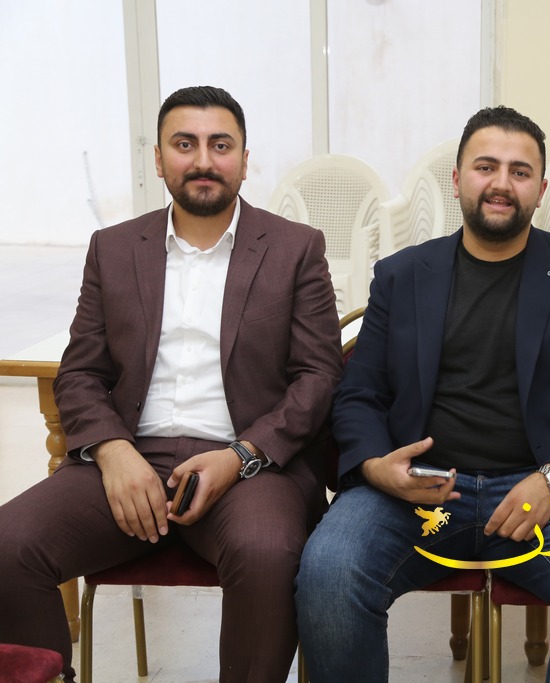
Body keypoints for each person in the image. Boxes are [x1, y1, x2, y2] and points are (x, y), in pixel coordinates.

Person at [295, 105, 550, 681]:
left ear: (541, 190)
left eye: (520, 171)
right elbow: (359, 392)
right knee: (329, 572)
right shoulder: (402, 275)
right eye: (486, 167)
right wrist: (378, 467)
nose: (501, 183)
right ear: (458, 179)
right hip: (417, 491)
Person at [0, 86, 343, 682]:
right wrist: (113, 453)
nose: (203, 160)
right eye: (185, 144)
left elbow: (318, 377)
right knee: (9, 545)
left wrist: (240, 456)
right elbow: (80, 372)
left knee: (266, 553)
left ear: (244, 159)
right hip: (132, 456)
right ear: (158, 159)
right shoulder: (112, 248)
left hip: (249, 465)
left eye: (220, 145)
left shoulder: (296, 248)